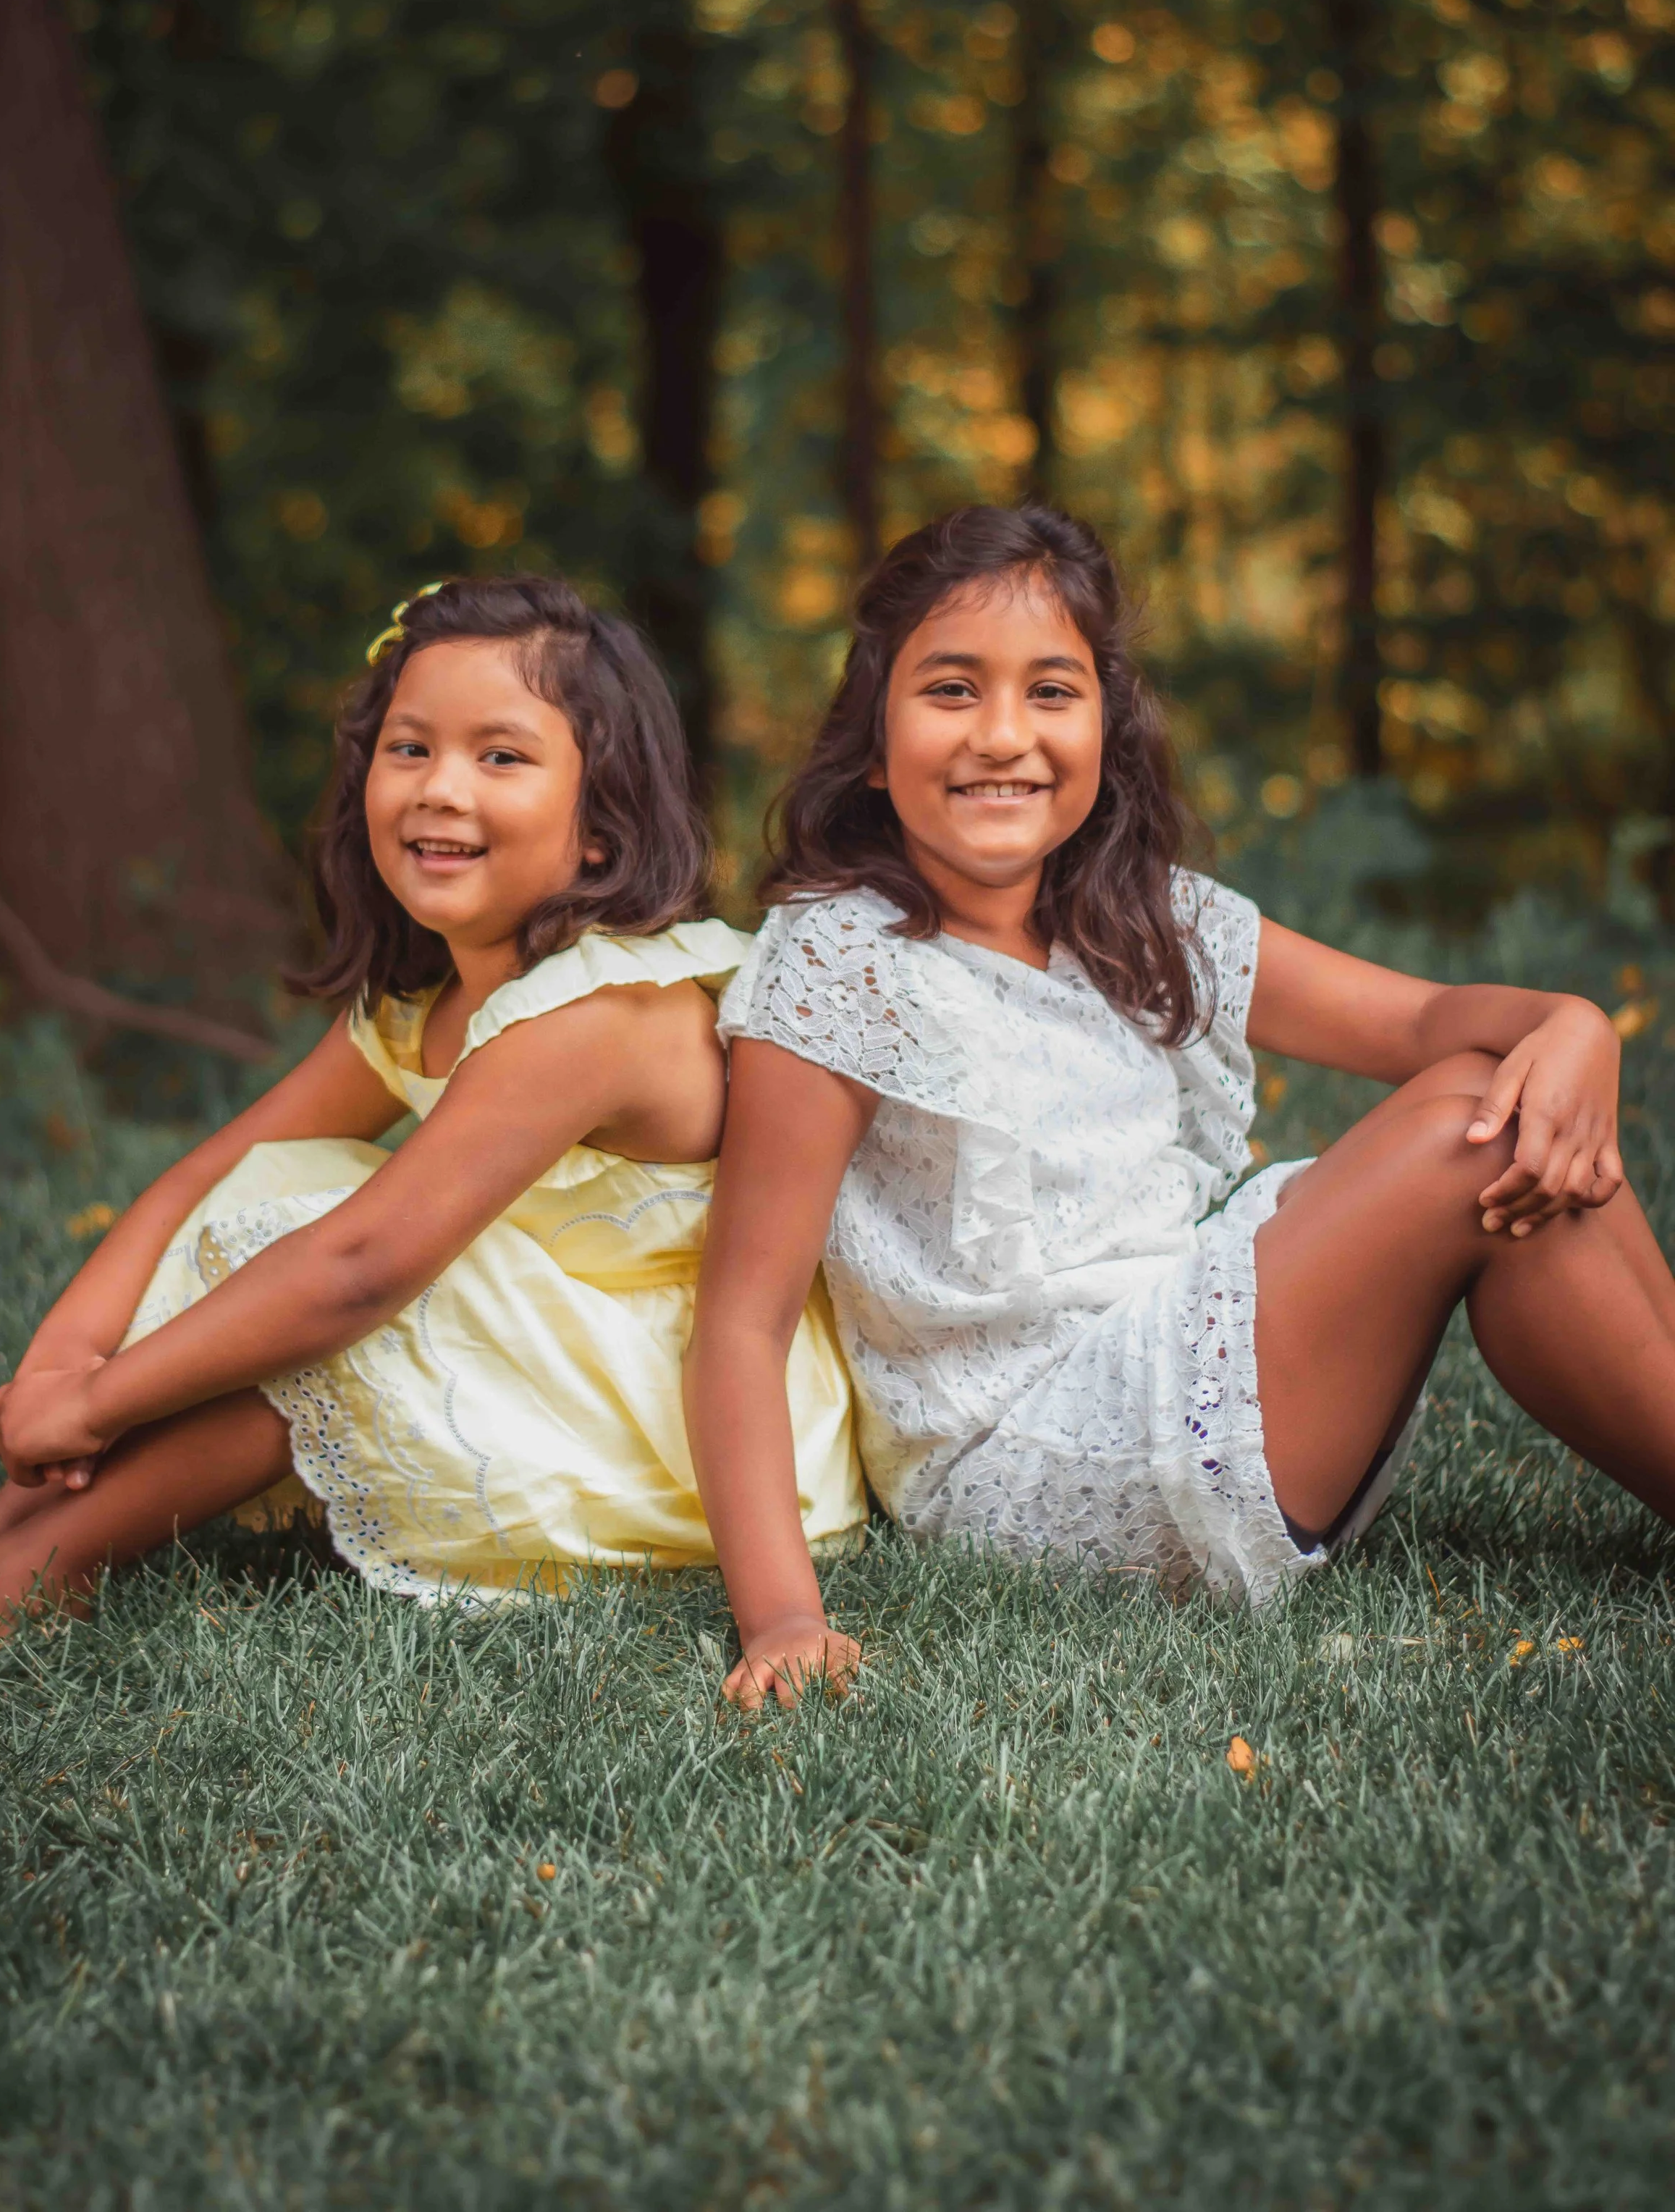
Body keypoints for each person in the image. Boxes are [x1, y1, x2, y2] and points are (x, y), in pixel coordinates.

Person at [685, 505, 1672, 1708]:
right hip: (1028, 1464)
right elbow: (743, 1318)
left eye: (1051, 691)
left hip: (1173, 1354)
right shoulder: (841, 963)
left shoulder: (1147, 916)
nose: (1005, 734)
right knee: (1472, 1126)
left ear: (1108, 726)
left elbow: (1421, 1022)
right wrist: (784, 1617)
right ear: (876, 741)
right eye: (952, 689)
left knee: (1510, 1111)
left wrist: (1571, 1028)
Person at [0, 576, 863, 1632]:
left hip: (692, 1436)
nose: (440, 787)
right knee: (282, 1185)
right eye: (411, 747)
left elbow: (357, 1271)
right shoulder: (420, 1000)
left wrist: (101, 1400)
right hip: (556, 1355)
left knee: (334, 1274)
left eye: (502, 756)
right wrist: (60, 1361)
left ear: (600, 833)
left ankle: (37, 1570)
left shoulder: (599, 1013)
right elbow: (209, 1174)